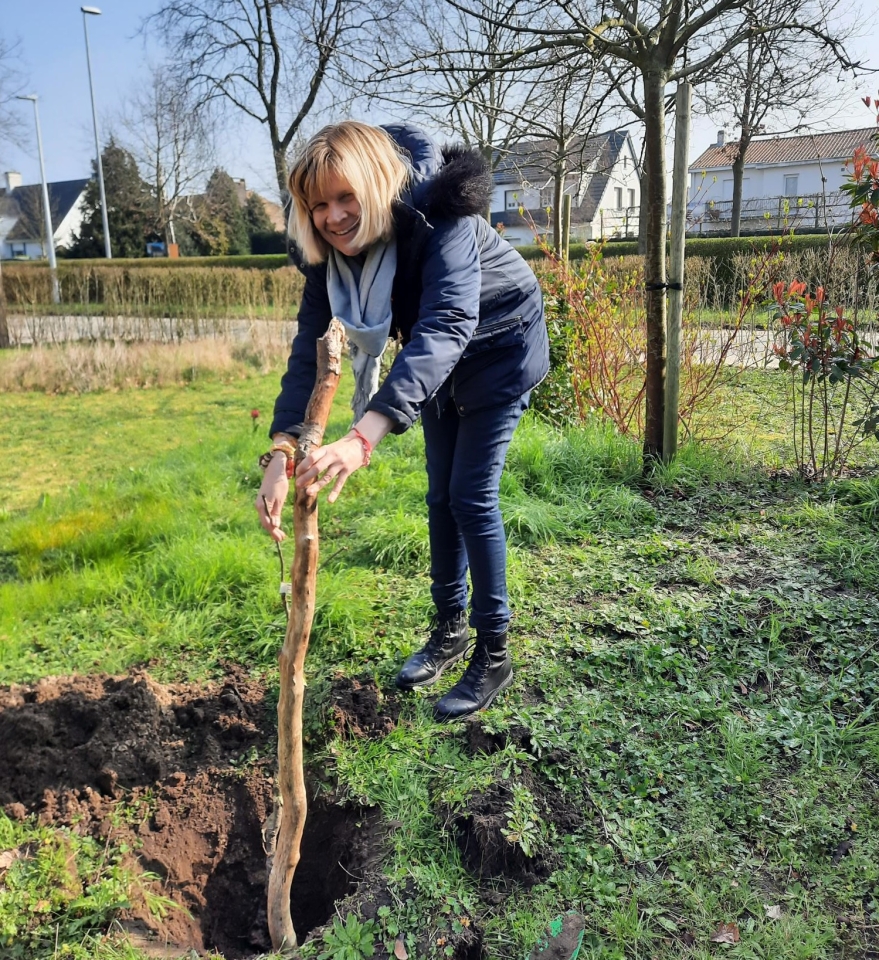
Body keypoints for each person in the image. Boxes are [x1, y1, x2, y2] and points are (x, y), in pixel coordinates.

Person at [256, 121, 549, 722]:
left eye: (346, 198)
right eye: (317, 205)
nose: (333, 217)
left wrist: (364, 435)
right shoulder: (328, 258)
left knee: (471, 496)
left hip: (499, 345)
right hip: (434, 356)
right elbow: (307, 350)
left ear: (375, 183)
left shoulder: (440, 215)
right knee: (439, 498)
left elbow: (447, 324)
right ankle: (449, 633)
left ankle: (494, 652)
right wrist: (282, 455)